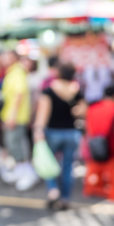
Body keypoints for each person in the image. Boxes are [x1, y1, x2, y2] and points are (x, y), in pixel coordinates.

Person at [33, 63, 86, 210]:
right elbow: (82, 111)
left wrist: (38, 130)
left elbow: (42, 114)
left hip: (53, 132)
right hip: (72, 133)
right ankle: (65, 198)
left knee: (47, 162)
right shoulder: (76, 90)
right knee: (68, 166)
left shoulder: (49, 91)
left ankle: (53, 190)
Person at [0, 50, 39, 191]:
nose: (4, 60)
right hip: (11, 116)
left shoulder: (17, 72)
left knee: (18, 146)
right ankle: (19, 172)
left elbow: (19, 94)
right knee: (13, 146)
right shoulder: (12, 72)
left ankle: (27, 174)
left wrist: (12, 116)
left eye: (7, 57)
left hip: (16, 118)